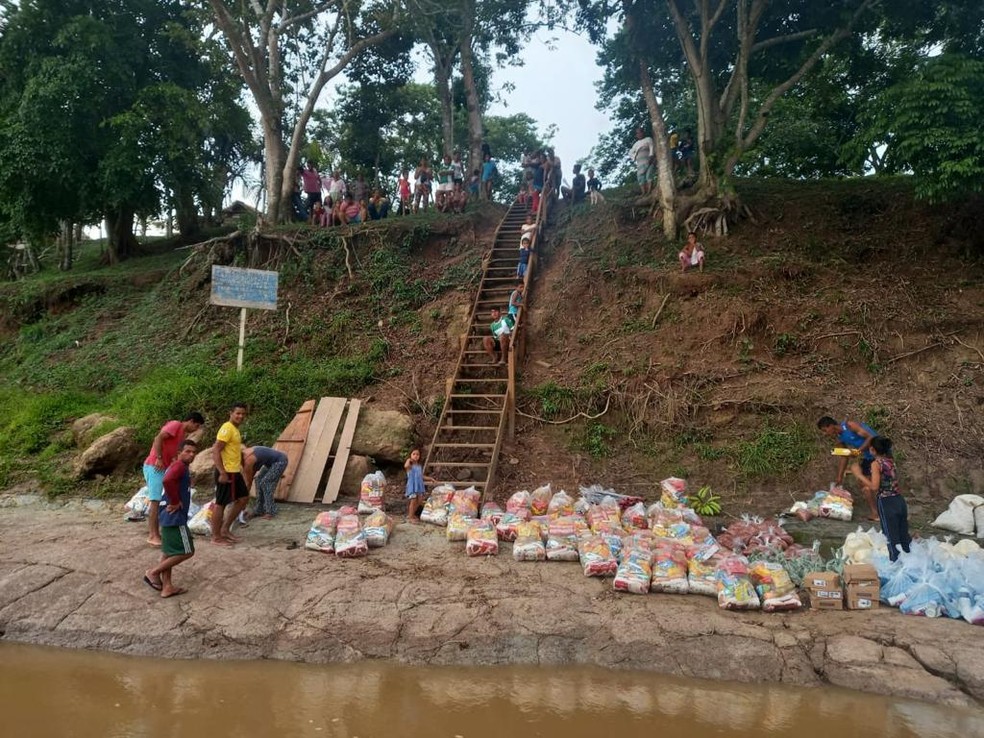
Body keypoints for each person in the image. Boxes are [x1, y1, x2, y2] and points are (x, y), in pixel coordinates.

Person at [144, 440, 197, 598]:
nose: (191, 454)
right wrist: (175, 501)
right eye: (187, 451)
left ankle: (167, 586)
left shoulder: (180, 467)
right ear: (179, 452)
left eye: (194, 452)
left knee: (168, 552)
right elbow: (167, 481)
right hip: (175, 518)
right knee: (187, 551)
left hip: (168, 517)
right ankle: (153, 572)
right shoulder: (179, 466)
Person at [143, 412, 205, 547]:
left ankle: (163, 531)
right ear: (192, 421)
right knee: (155, 500)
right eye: (197, 426)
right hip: (155, 466)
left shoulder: (181, 435)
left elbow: (174, 453)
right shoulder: (175, 425)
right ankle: (153, 535)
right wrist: (159, 458)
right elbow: (158, 438)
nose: (195, 429)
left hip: (163, 467)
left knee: (162, 499)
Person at [850, 437, 911, 561]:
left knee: (891, 538)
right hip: (899, 501)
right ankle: (908, 563)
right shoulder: (891, 461)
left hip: (887, 503)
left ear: (872, 449)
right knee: (903, 536)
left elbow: (874, 486)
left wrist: (859, 474)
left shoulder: (876, 464)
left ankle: (896, 567)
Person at [817, 415, 879, 521]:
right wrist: (839, 477)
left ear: (831, 425)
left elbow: (870, 437)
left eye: (825, 430)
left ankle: (879, 513)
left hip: (879, 455)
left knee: (872, 485)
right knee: (864, 485)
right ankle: (875, 513)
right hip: (868, 457)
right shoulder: (840, 438)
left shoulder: (850, 426)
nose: (825, 434)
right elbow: (844, 457)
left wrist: (858, 451)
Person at [211, 403, 249, 546]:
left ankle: (225, 529)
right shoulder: (227, 428)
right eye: (237, 413)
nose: (240, 416)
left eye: (243, 414)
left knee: (243, 498)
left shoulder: (235, 430)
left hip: (234, 471)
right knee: (220, 504)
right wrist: (222, 472)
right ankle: (216, 537)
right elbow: (216, 450)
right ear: (231, 413)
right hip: (226, 472)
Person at [243, 445, 288, 520]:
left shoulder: (248, 460)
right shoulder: (245, 455)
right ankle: (259, 509)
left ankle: (270, 511)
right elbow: (250, 477)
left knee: (266, 482)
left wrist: (244, 498)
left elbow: (248, 482)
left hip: (280, 461)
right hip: (270, 463)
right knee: (258, 480)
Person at [404, 448, 436, 523]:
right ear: (410, 455)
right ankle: (410, 517)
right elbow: (406, 466)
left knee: (420, 500)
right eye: (413, 454)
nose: (415, 456)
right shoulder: (409, 466)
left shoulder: (419, 466)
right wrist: (409, 460)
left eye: (417, 454)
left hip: (419, 485)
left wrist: (430, 478)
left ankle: (411, 514)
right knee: (413, 501)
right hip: (413, 485)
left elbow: (421, 476)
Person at [629, 127, 655, 195]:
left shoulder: (648, 139)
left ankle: (649, 191)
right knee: (640, 177)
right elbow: (631, 152)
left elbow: (651, 147)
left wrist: (651, 156)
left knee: (649, 175)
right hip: (640, 162)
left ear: (643, 132)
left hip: (648, 160)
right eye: (637, 133)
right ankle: (643, 192)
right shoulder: (636, 144)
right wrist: (634, 157)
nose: (639, 134)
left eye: (640, 132)